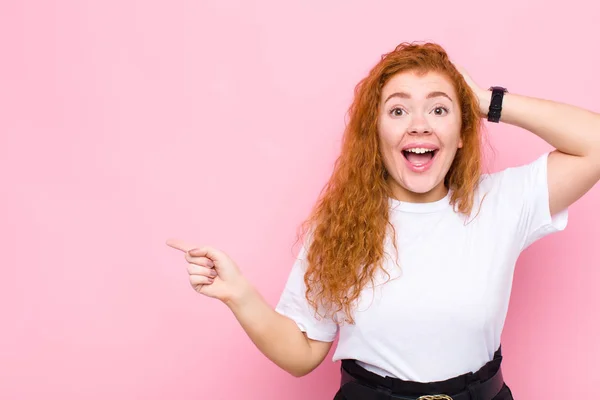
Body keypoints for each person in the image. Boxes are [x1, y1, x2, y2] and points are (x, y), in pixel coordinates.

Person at [166, 42, 600, 399]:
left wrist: (487, 101)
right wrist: (238, 294)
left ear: (464, 131)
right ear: (376, 134)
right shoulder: (339, 226)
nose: (418, 125)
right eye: (397, 111)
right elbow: (302, 354)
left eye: (439, 109)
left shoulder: (500, 203)